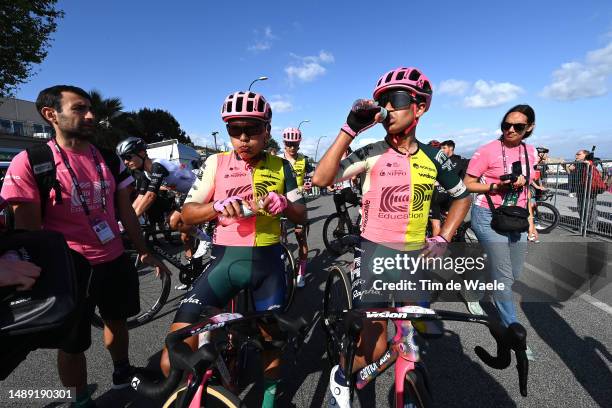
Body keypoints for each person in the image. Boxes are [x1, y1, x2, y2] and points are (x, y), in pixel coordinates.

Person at [0, 85, 169, 407]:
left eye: (91, 109)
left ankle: (122, 373)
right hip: (68, 268)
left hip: (114, 257)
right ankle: (79, 400)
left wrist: (144, 249)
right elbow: (29, 232)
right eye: (79, 109)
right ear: (50, 115)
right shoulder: (32, 161)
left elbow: (126, 212)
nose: (91, 116)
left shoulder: (108, 158)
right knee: (72, 343)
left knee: (117, 321)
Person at [313, 66, 471, 408]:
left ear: (420, 107)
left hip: (415, 258)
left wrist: (444, 237)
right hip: (374, 254)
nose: (387, 108)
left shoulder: (434, 156)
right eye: (382, 101)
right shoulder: (372, 151)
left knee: (413, 337)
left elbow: (462, 196)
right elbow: (323, 179)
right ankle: (342, 375)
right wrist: (350, 129)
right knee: (376, 346)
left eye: (396, 100)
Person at [160, 91, 306, 408]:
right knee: (171, 355)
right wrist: (216, 206)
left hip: (268, 264)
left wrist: (285, 205)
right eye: (234, 129)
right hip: (224, 261)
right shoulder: (216, 162)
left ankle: (268, 398)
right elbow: (187, 214)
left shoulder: (283, 167)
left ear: (267, 130)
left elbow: (302, 213)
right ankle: (195, 387)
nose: (243, 138)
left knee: (272, 343)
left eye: (251, 129)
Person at [463, 104, 538, 360]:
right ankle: (513, 334)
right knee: (504, 277)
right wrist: (496, 185)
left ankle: (473, 289)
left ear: (529, 128)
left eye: (518, 126)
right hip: (487, 216)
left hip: (516, 219)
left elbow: (528, 190)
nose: (511, 130)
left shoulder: (532, 153)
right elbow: (467, 184)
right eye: (506, 125)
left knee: (511, 273)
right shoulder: (487, 151)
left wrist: (531, 222)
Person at [116, 137, 210, 288]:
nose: (126, 162)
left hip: (198, 190)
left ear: (141, 153)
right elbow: (140, 198)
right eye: (123, 159)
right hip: (184, 195)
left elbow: (150, 196)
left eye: (128, 157)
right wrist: (124, 220)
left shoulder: (157, 166)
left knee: (173, 221)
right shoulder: (145, 174)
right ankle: (193, 273)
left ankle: (205, 238)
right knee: (185, 237)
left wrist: (130, 221)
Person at [281, 127, 313, 287]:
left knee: (301, 239)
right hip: (280, 204)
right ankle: (280, 270)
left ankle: (301, 273)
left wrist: (310, 183)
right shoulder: (278, 160)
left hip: (299, 203)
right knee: (279, 241)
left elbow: (313, 175)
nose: (292, 147)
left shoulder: (304, 160)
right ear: (284, 144)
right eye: (289, 144)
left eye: (295, 144)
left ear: (299, 144)